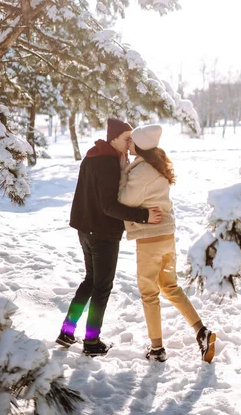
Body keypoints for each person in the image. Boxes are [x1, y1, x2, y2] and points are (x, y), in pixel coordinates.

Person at [56, 118, 162, 356]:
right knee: (102, 287)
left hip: (86, 229)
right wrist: (143, 215)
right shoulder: (107, 162)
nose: (129, 144)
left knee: (91, 281)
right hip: (102, 233)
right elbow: (109, 206)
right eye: (126, 139)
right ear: (113, 137)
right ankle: (92, 343)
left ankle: (67, 330)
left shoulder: (93, 156)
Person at [118, 123, 216, 363]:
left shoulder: (140, 172)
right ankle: (201, 331)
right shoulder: (157, 165)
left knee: (149, 293)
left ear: (139, 145)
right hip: (166, 236)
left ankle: (157, 349)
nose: (128, 144)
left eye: (132, 141)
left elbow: (124, 200)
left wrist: (122, 173)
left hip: (149, 238)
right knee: (170, 287)